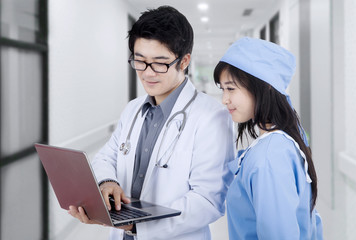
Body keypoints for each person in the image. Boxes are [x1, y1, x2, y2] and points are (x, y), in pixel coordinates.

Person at [68, 5, 234, 240]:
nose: (148, 73)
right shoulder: (134, 109)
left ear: (184, 61)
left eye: (160, 63)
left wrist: (137, 226)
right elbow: (108, 156)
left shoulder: (212, 117)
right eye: (140, 61)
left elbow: (208, 200)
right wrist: (107, 182)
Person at [213, 37, 323, 239]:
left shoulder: (268, 157)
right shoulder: (283, 142)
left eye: (231, 88)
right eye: (222, 89)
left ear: (264, 86)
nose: (224, 99)